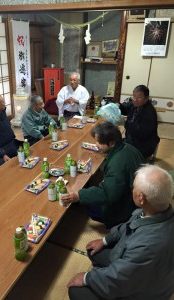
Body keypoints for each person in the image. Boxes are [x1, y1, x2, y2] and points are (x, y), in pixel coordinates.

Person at [67, 165, 174, 300]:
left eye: (134, 187)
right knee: (93, 250)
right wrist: (105, 240)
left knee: (76, 291)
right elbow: (129, 226)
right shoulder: (155, 210)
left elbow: (119, 280)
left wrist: (87, 278)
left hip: (143, 291)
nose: (132, 189)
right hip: (141, 270)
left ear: (141, 197)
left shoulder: (148, 245)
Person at [62, 122, 144, 228]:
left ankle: (115, 222)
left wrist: (79, 195)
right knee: (91, 188)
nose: (96, 145)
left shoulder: (117, 164)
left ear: (111, 143)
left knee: (89, 205)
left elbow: (107, 194)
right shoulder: (128, 147)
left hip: (125, 207)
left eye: (99, 142)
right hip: (133, 196)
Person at [120, 85, 160, 159]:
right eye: (134, 96)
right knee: (112, 141)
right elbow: (124, 107)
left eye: (139, 97)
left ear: (146, 98)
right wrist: (118, 106)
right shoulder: (135, 104)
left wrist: (125, 123)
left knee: (118, 152)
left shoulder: (149, 112)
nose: (135, 99)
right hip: (132, 140)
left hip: (143, 145)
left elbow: (141, 132)